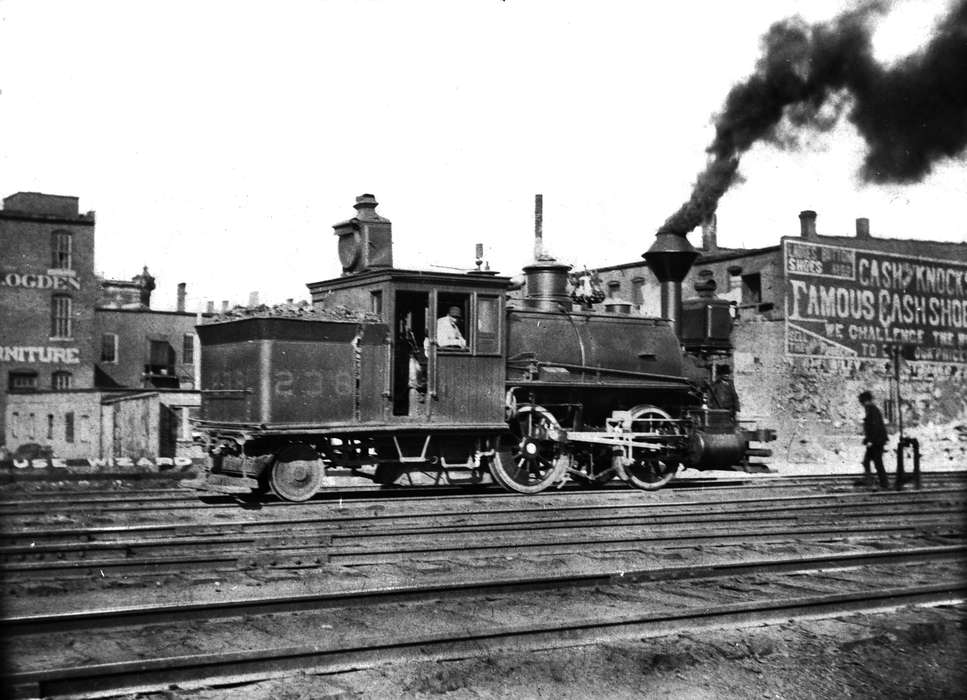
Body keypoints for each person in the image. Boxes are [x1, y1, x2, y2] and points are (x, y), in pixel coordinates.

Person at [858, 390, 889, 489]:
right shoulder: (871, 409)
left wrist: (870, 440)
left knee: (876, 462)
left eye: (862, 402)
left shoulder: (872, 410)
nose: (862, 404)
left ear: (865, 401)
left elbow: (875, 427)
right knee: (869, 461)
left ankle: (882, 483)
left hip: (876, 441)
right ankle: (874, 482)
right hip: (876, 441)